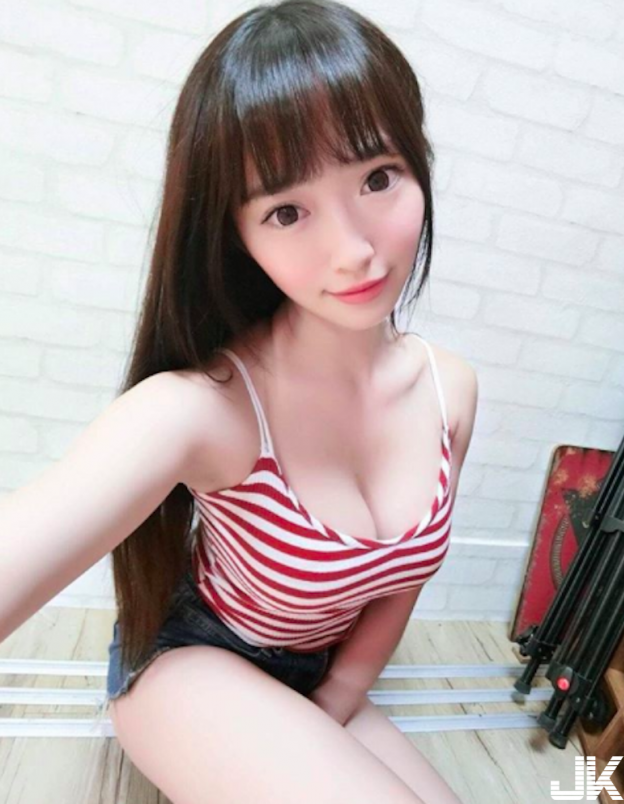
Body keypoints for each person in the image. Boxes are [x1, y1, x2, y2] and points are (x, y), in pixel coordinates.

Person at [0, 1, 477, 801]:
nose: (354, 249)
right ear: (237, 234)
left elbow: (401, 583)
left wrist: (336, 699)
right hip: (195, 661)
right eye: (287, 211)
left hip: (316, 671)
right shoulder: (204, 408)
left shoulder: (448, 388)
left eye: (378, 177)